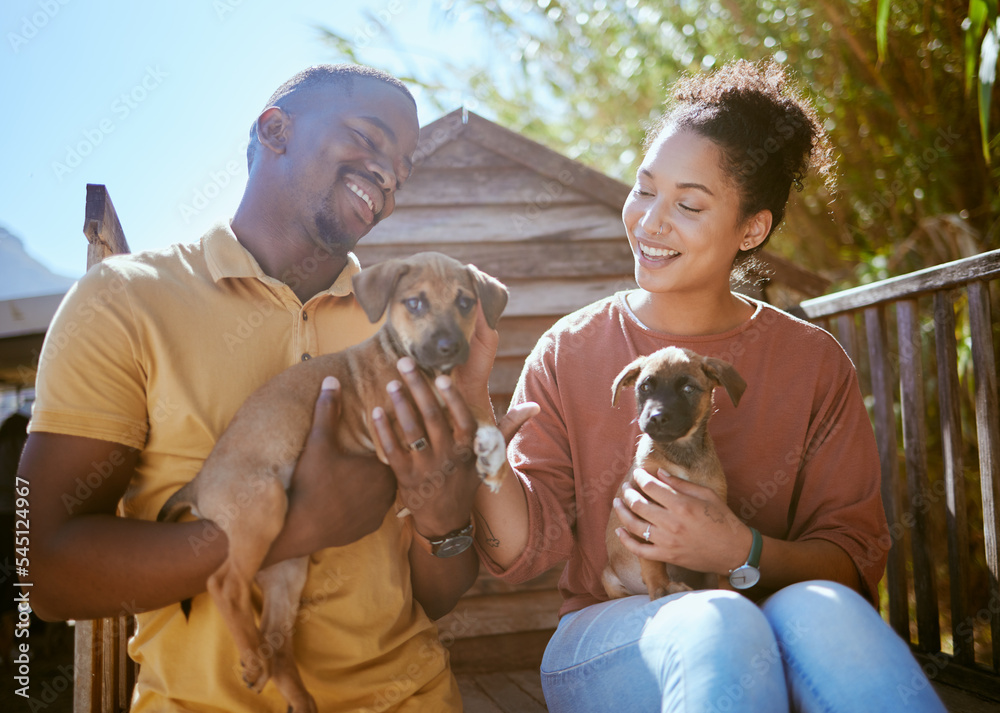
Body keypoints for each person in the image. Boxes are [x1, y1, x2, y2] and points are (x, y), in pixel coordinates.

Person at [461, 59, 949, 711]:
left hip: (773, 617)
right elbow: (518, 554)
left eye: (688, 204)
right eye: (644, 189)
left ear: (753, 228)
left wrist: (738, 548)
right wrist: (485, 449)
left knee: (828, 609)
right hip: (611, 636)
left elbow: (850, 562)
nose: (650, 221)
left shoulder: (813, 361)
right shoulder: (571, 348)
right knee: (721, 622)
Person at [22, 64, 512, 712]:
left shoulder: (407, 328)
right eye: (368, 139)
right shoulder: (125, 300)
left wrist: (444, 516)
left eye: (403, 166)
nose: (389, 174)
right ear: (275, 129)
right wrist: (296, 525)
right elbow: (43, 568)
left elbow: (438, 594)